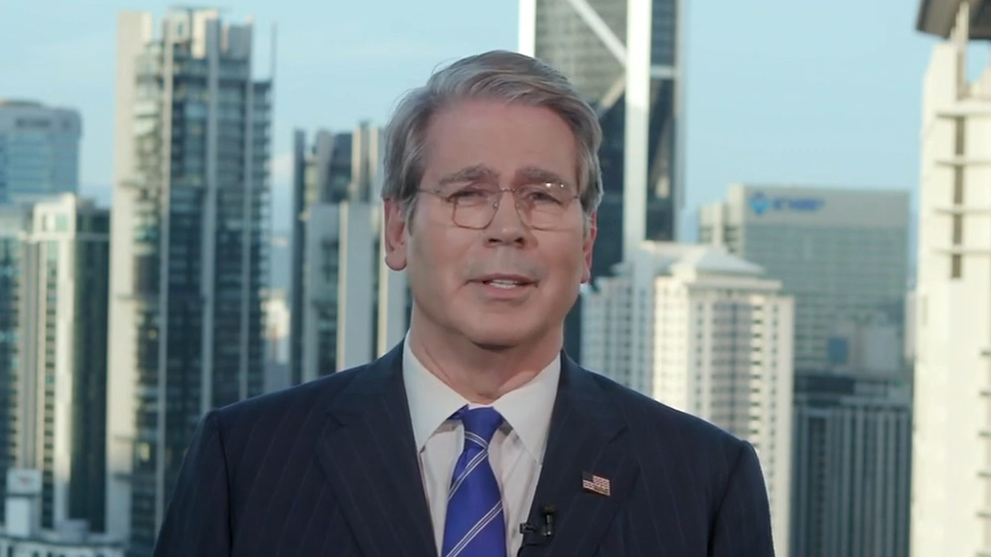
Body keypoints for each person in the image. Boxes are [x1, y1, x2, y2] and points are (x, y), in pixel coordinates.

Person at [152, 50, 775, 557]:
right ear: (398, 230)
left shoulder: (703, 483)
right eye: (468, 194)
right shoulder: (247, 462)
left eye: (542, 196)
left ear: (587, 244)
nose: (507, 228)